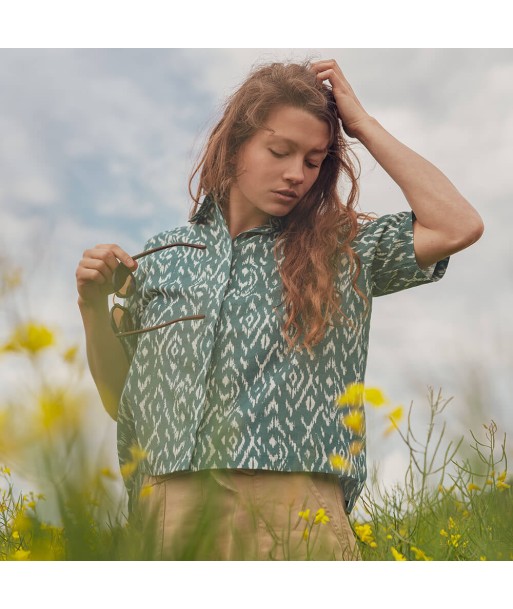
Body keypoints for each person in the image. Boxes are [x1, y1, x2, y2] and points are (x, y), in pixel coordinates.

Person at [75, 59, 484, 560]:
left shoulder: (342, 248)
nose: (296, 174)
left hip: (295, 510)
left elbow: (456, 225)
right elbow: (124, 403)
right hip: (169, 509)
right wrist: (93, 307)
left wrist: (362, 125)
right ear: (234, 146)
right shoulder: (164, 257)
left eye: (313, 161)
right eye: (279, 151)